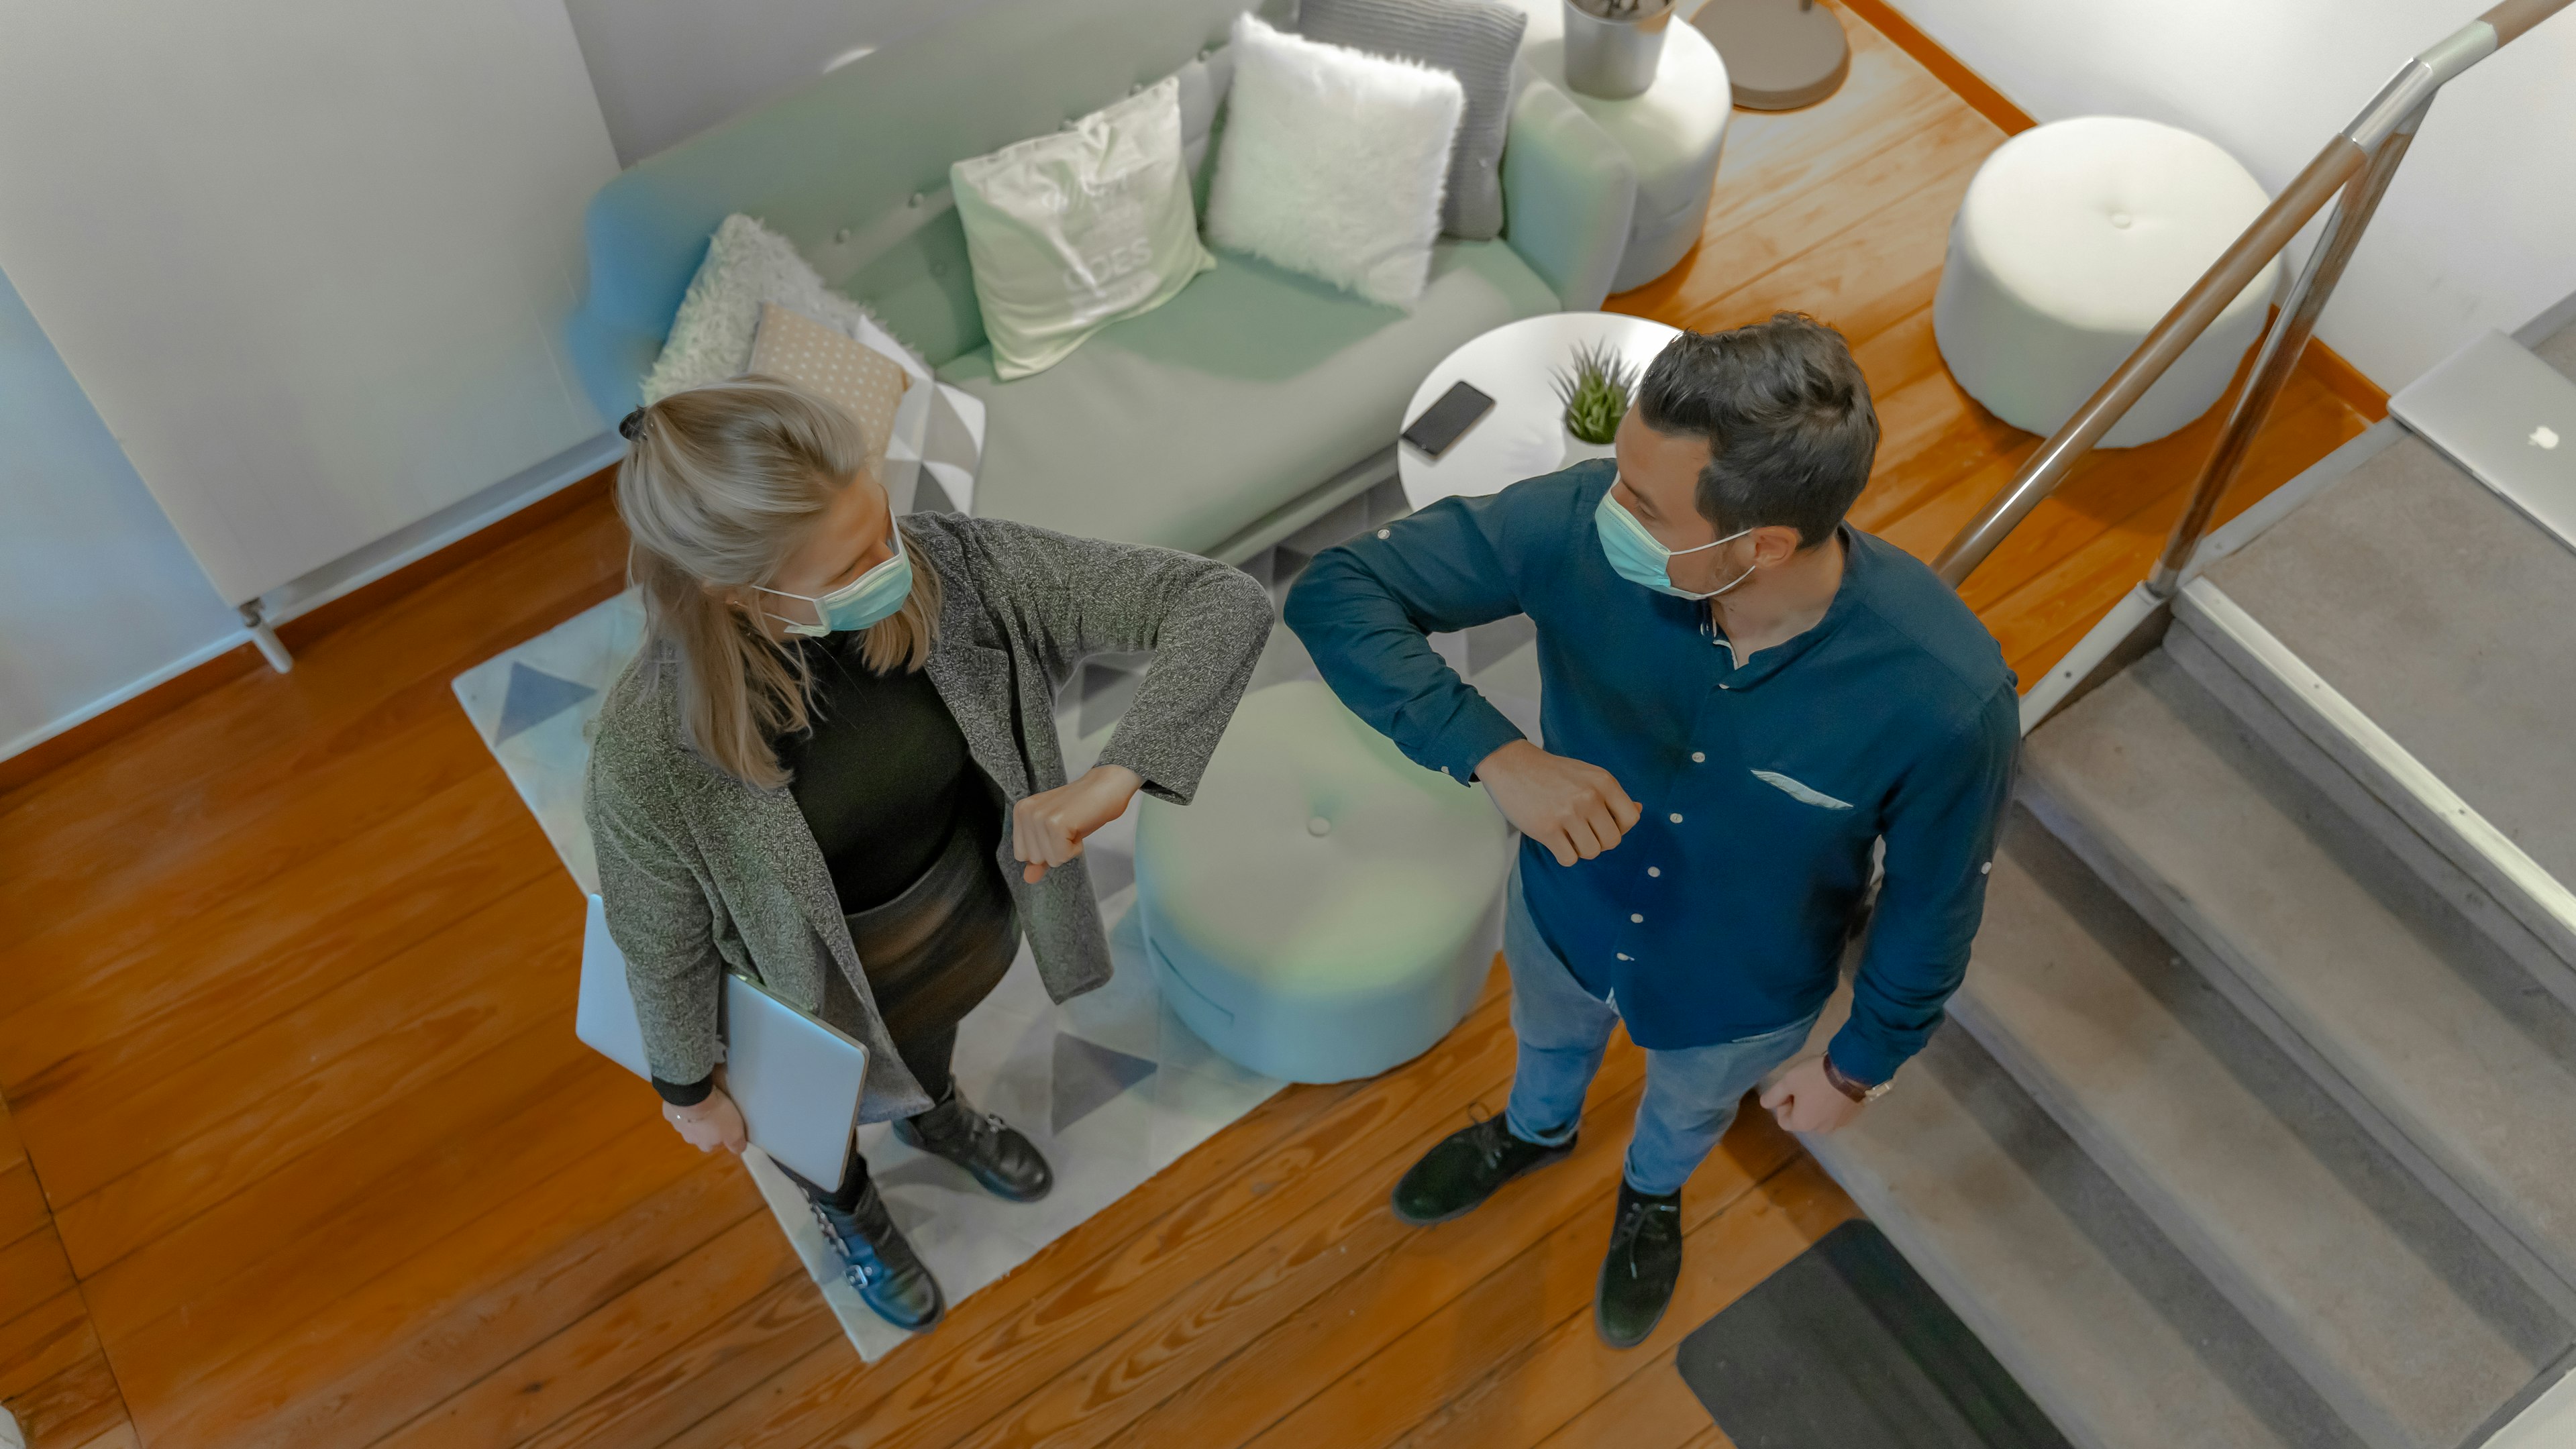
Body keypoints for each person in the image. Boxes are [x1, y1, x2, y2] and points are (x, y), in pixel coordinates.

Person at [1283, 313, 2017, 1348]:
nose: (1605, 504)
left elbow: (1935, 905)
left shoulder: (1944, 699)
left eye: (1640, 501)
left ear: (1758, 545)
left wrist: (1857, 1067)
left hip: (1740, 994)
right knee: (1545, 1045)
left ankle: (1652, 1198)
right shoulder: (1579, 521)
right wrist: (1498, 754)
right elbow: (1340, 590)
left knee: (1685, 1117)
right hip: (1564, 915)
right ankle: (1533, 1134)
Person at [586, 377, 1272, 1334]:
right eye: (852, 562)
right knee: (819, 1136)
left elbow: (1220, 602)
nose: (894, 562)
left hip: (958, 936)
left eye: (885, 527)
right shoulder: (649, 754)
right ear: (739, 594)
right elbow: (658, 943)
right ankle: (849, 1207)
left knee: (926, 1051)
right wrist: (687, 1088)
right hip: (811, 1007)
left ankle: (936, 1111)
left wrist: (1119, 775)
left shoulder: (958, 571)